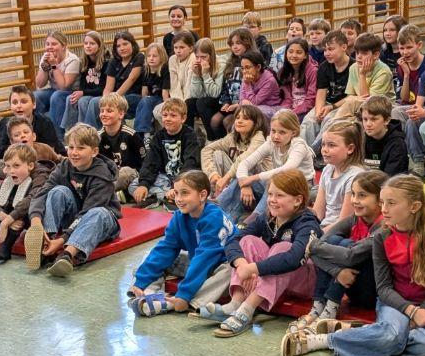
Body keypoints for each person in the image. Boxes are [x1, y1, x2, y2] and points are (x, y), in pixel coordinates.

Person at [282, 174, 425, 356]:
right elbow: (384, 288)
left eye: (391, 203)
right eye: (382, 202)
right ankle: (324, 340)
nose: (384, 209)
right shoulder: (383, 236)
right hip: (394, 303)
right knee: (391, 337)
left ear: (414, 206)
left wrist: (421, 311)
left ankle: (365, 333)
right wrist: (411, 311)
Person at [196, 170, 321, 338]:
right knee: (248, 240)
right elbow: (234, 240)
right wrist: (242, 265)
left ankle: (247, 310)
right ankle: (236, 303)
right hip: (273, 280)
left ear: (298, 200)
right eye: (270, 194)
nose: (272, 200)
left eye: (279, 195)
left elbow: (293, 258)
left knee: (283, 248)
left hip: (304, 282)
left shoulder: (308, 222)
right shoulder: (267, 217)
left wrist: (253, 268)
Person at [289, 170, 387, 331]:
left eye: (362, 195)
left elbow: (350, 256)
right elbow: (320, 245)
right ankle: (318, 307)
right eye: (353, 194)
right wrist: (338, 272)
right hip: (351, 283)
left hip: (374, 293)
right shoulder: (356, 218)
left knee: (346, 246)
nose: (354, 200)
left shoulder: (384, 227)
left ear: (380, 200)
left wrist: (313, 246)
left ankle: (330, 309)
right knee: (334, 241)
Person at [127, 171, 234, 317]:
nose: (178, 199)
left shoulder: (214, 218)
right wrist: (140, 281)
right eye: (176, 193)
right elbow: (165, 249)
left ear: (202, 195)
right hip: (197, 262)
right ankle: (148, 294)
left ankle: (184, 303)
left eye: (185, 193)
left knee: (230, 272)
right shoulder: (179, 216)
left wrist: (184, 295)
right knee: (151, 256)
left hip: (219, 265)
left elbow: (204, 260)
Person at [25, 124, 122, 277]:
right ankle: (46, 242)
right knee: (57, 191)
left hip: (99, 221)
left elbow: (86, 213)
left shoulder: (102, 176)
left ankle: (67, 255)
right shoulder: (64, 166)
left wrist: (62, 240)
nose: (74, 153)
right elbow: (42, 193)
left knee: (98, 212)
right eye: (71, 147)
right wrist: (35, 220)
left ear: (94, 151)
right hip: (75, 218)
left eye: (81, 148)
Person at [222, 109, 314, 221]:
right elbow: (245, 163)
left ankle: (254, 219)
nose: (276, 136)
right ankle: (218, 209)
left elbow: (287, 169)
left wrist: (253, 178)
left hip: (301, 187)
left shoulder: (299, 146)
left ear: (293, 133)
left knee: (274, 184)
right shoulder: (271, 143)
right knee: (241, 178)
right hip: (279, 182)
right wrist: (244, 184)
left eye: (282, 132)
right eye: (273, 131)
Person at [134, 98, 203, 207]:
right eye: (165, 115)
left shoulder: (190, 136)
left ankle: (159, 196)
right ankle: (165, 197)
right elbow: (150, 162)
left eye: (173, 115)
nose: (168, 119)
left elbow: (190, 164)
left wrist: (176, 186)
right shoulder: (158, 136)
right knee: (134, 185)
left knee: (193, 185)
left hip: (184, 177)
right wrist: (143, 184)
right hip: (164, 177)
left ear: (183, 118)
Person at [202, 104, 267, 200]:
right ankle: (216, 192)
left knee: (247, 166)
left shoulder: (259, 138)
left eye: (245, 118)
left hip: (259, 183)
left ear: (256, 123)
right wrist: (213, 174)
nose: (239, 121)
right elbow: (207, 149)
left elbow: (244, 160)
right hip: (237, 179)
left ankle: (220, 200)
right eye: (237, 118)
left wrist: (226, 178)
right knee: (217, 153)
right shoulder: (232, 137)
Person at [314, 119, 367, 229]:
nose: (324, 150)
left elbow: (344, 223)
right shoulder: (328, 169)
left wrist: (318, 234)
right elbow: (317, 213)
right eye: (323, 144)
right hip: (325, 227)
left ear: (350, 148)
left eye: (331, 145)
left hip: (340, 232)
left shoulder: (355, 176)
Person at [96, 94, 143, 197]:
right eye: (102, 111)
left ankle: (102, 194)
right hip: (109, 175)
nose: (104, 114)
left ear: (121, 114)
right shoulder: (97, 137)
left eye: (109, 111)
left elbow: (144, 162)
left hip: (130, 175)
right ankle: (117, 195)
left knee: (125, 172)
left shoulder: (131, 135)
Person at [34, 31, 81, 126]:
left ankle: (56, 132)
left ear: (63, 46)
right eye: (47, 44)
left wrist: (54, 65)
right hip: (54, 90)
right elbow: (40, 84)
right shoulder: (45, 57)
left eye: (54, 44)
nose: (50, 47)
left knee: (57, 96)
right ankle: (39, 128)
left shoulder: (73, 60)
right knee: (35, 96)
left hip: (71, 92)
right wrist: (45, 66)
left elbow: (63, 87)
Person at [67, 31, 108, 128]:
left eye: (92, 43)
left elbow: (103, 89)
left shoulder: (107, 62)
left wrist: (83, 93)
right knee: (71, 98)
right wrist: (80, 93)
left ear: (100, 46)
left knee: (83, 100)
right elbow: (82, 85)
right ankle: (72, 130)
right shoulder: (85, 62)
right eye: (86, 43)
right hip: (89, 94)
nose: (88, 46)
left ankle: (87, 130)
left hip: (102, 94)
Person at [360, 95, 408, 176]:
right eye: (365, 119)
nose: (368, 124)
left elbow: (391, 177)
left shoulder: (397, 144)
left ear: (387, 120)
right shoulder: (360, 138)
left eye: (373, 119)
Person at [187, 38, 224, 139]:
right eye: (197, 57)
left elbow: (215, 93)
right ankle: (188, 138)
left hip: (220, 101)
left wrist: (205, 74)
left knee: (201, 102)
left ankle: (212, 139)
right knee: (189, 103)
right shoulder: (196, 65)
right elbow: (195, 95)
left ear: (211, 55)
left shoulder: (221, 65)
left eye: (203, 57)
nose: (200, 60)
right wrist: (196, 75)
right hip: (205, 99)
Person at [134, 42, 171, 135]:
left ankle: (143, 133)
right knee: (140, 100)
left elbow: (165, 92)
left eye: (154, 56)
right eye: (148, 56)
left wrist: (167, 106)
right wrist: (144, 102)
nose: (151, 58)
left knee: (147, 101)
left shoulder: (165, 69)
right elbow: (144, 90)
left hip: (161, 99)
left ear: (162, 57)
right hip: (151, 98)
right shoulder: (146, 69)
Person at [277, 38, 318, 119]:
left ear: (305, 55)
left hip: (307, 110)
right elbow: (287, 98)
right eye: (290, 52)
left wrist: (294, 112)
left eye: (299, 52)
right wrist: (285, 111)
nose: (294, 55)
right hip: (291, 109)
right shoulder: (283, 72)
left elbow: (311, 100)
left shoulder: (313, 71)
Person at [237, 49, 283, 117]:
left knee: (252, 112)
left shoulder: (269, 80)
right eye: (242, 68)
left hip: (271, 109)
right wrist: (243, 102)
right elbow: (241, 99)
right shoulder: (247, 78)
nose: (244, 71)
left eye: (247, 67)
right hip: (253, 108)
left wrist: (247, 84)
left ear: (258, 67)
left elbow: (255, 102)